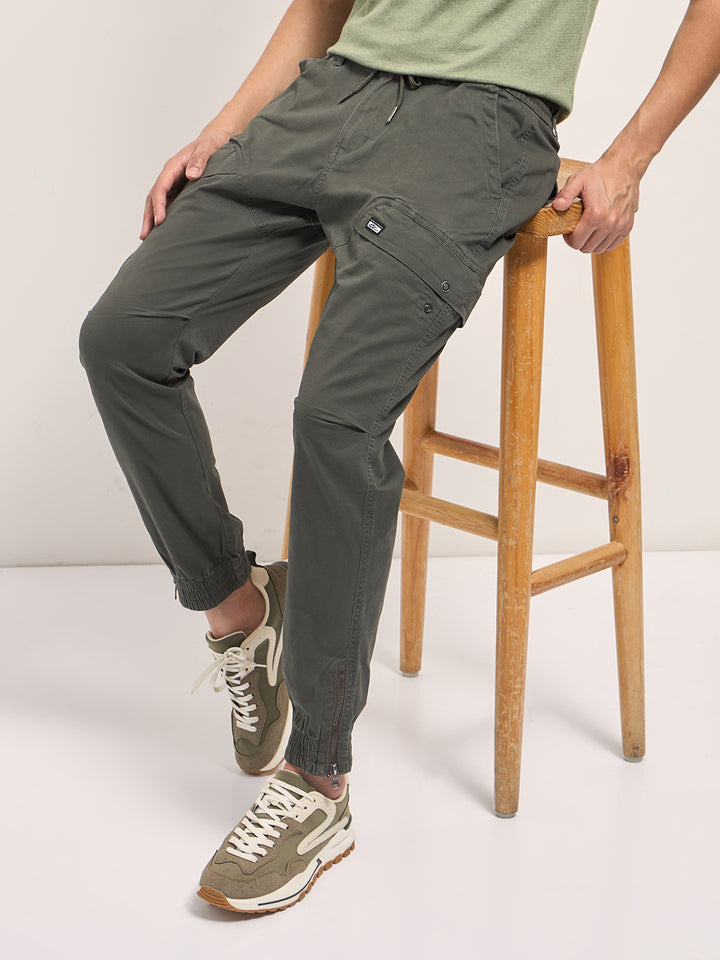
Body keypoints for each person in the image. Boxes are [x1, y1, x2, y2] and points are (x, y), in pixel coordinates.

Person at [78, 0, 719, 916]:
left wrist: (631, 157)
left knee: (336, 417)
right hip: (329, 99)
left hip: (478, 126)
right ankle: (240, 611)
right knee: (122, 341)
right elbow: (325, 7)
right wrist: (225, 127)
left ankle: (318, 780)